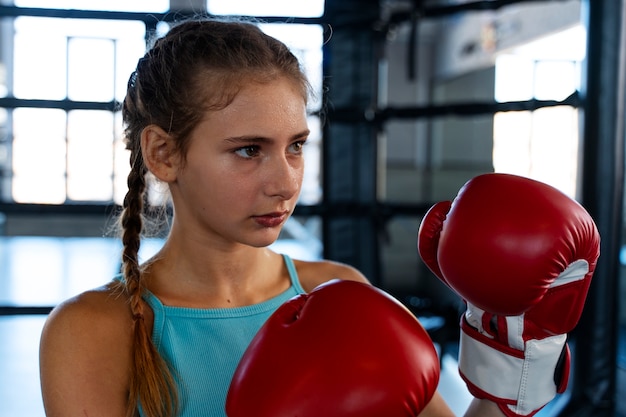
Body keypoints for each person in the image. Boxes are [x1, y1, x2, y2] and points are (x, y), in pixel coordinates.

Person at [38, 17, 587, 417]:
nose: (285, 181)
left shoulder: (341, 294)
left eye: (295, 145)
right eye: (249, 149)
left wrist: (521, 359)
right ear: (163, 154)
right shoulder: (92, 333)